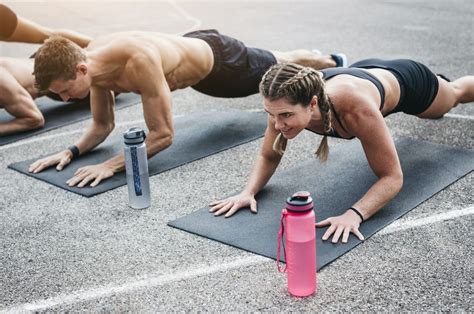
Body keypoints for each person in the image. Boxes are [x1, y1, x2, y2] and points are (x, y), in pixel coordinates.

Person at [28, 29, 347, 188]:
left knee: (278, 63)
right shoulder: (93, 65)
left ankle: (331, 65)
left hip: (222, 67)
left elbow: (163, 134)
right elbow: (101, 125)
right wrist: (71, 151)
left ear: (80, 70)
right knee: (275, 56)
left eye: (66, 91)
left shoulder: (137, 60)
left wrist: (109, 166)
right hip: (194, 53)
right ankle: (320, 59)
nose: (67, 99)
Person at [209, 59, 474, 244]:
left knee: (454, 95)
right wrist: (248, 192)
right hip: (360, 71)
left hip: (407, 80)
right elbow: (270, 154)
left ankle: (442, 85)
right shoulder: (281, 104)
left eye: (286, 116)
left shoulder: (356, 110)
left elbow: (392, 177)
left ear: (313, 104)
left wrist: (354, 214)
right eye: (272, 115)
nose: (278, 125)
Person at [0, 3, 92, 136]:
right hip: (37, 68)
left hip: (56, 76)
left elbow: (35, 119)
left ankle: (100, 44)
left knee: (108, 74)